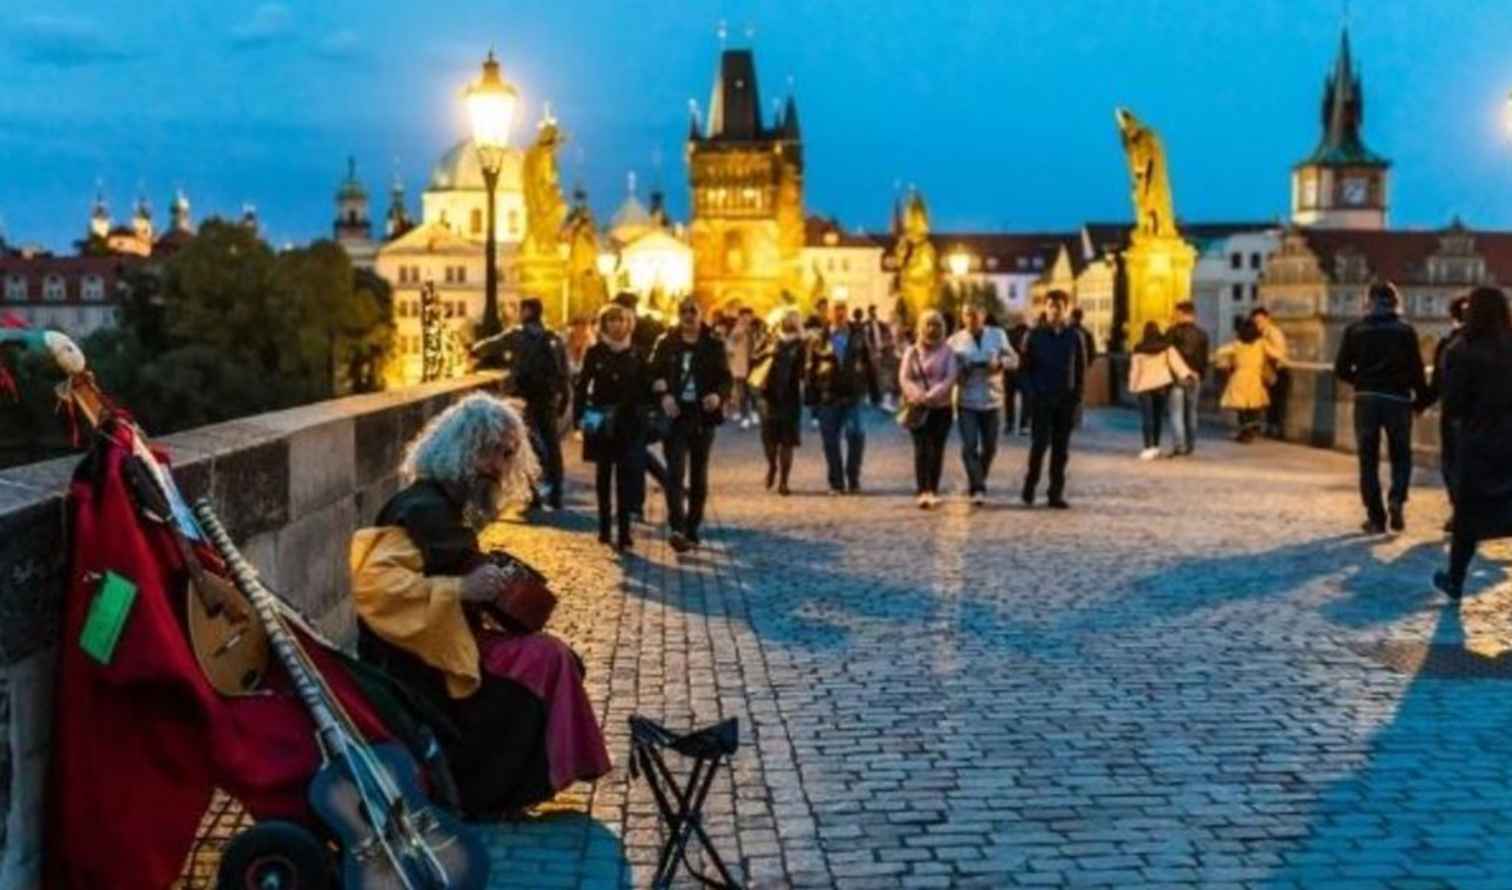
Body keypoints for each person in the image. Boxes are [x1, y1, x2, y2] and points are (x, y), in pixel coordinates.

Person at [351, 394, 611, 818]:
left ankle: (529, 782)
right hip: (419, 664)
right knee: (547, 658)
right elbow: (377, 591)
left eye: (509, 454)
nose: (499, 465)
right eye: (493, 451)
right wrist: (461, 590)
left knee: (551, 655)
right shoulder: (421, 508)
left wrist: (482, 586)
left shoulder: (443, 504)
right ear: (463, 448)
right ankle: (497, 792)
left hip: (444, 643)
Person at [1333, 282, 1431, 535]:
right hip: (1397, 399)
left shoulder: (1355, 329)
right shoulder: (1405, 331)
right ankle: (1397, 498)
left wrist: (1363, 382)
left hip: (1366, 399)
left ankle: (1376, 518)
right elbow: (1417, 370)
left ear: (1369, 301)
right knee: (1401, 455)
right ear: (1395, 301)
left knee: (1368, 459)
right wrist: (1421, 400)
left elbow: (1341, 369)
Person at [1433, 287, 1512, 600]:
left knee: (1468, 513)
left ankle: (1455, 579)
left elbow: (1452, 405)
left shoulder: (1460, 350)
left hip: (1479, 440)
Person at [650, 297, 731, 552]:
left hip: (702, 416)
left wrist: (718, 396)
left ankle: (693, 527)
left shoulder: (713, 343)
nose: (688, 316)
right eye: (683, 311)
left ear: (701, 314)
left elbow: (725, 378)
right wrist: (663, 396)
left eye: (693, 311)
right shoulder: (666, 342)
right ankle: (677, 527)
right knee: (675, 473)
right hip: (676, 416)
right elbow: (654, 373)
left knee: (699, 474)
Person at [472, 298, 568, 510]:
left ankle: (534, 493)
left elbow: (486, 347)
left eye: (521, 309)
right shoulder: (554, 337)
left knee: (527, 445)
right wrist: (564, 398)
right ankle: (557, 494)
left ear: (527, 311)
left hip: (524, 398)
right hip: (548, 398)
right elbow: (564, 372)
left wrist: (472, 350)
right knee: (553, 446)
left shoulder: (517, 335)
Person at [574, 304, 648, 549]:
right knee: (603, 475)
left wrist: (643, 416)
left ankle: (624, 530)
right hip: (599, 417)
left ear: (629, 324)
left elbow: (644, 390)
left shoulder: (638, 354)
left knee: (625, 477)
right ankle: (605, 527)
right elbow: (583, 386)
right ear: (604, 324)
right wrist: (579, 419)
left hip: (627, 421)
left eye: (621, 320)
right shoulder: (595, 352)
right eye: (611, 320)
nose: (616, 324)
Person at [806, 298, 882, 494]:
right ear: (828, 314)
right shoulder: (818, 338)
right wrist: (811, 399)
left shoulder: (858, 335)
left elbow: (869, 363)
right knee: (830, 441)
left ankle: (853, 478)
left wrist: (875, 392)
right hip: (827, 395)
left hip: (853, 395)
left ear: (847, 312)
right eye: (835, 310)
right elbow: (810, 369)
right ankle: (836, 483)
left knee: (856, 435)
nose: (839, 313)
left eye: (842, 309)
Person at [1019, 292, 1086, 509]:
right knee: (1039, 445)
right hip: (1041, 398)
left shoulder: (1074, 336)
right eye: (1051, 306)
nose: (1054, 310)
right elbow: (1024, 370)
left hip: (1065, 400)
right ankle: (1030, 486)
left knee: (1061, 449)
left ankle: (1055, 493)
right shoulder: (1034, 335)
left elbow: (1080, 369)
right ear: (1045, 308)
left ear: (1066, 308)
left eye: (1058, 306)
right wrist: (1031, 393)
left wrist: (1076, 397)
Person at [948, 303, 1018, 504]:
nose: (971, 319)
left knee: (990, 448)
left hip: (992, 400)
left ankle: (978, 479)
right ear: (962, 317)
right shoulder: (954, 341)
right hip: (967, 401)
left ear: (983, 315)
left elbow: (1015, 360)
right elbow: (949, 371)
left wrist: (999, 364)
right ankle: (978, 486)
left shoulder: (997, 335)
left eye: (975, 314)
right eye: (967, 315)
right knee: (969, 446)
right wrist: (962, 371)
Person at [613, 292, 668, 519]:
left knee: (633, 453)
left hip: (639, 401)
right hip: (628, 401)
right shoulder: (646, 328)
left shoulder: (644, 331)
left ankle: (634, 506)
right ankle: (667, 483)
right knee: (632, 452)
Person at [900, 310, 959, 509]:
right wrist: (918, 395)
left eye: (936, 325)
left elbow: (950, 377)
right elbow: (905, 377)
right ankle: (922, 490)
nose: (932, 329)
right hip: (917, 407)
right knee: (921, 449)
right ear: (921, 327)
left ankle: (933, 489)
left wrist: (932, 395)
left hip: (941, 407)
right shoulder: (912, 351)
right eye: (928, 324)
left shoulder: (948, 351)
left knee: (936, 450)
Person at [1425, 295, 1470, 532]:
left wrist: (1421, 403)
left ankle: (1459, 512)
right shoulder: (1502, 341)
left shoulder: (1448, 344)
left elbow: (1438, 383)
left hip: (1455, 415)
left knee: (1452, 463)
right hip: (1494, 416)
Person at [752, 307, 806, 495]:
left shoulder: (801, 343)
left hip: (790, 397)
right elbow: (754, 360)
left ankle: (784, 481)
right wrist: (767, 352)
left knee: (787, 442)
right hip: (769, 396)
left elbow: (804, 370)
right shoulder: (769, 339)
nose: (788, 322)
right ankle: (772, 466)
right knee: (769, 441)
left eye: (792, 319)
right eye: (785, 318)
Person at [1128, 321, 1196, 460]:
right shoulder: (1167, 347)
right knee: (1157, 417)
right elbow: (1177, 364)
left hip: (1143, 386)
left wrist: (1132, 386)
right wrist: (1188, 374)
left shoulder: (1138, 348)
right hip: (1161, 386)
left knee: (1147, 417)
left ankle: (1148, 447)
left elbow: (1134, 370)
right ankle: (1156, 446)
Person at [1215, 320, 1281, 442]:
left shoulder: (1237, 344)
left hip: (1239, 377)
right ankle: (1250, 430)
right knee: (1253, 406)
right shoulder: (1261, 344)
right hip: (1255, 378)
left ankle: (1244, 432)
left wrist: (1227, 362)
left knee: (1241, 407)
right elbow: (1276, 354)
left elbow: (1219, 352)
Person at [1164, 301, 1210, 456]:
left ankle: (1180, 445)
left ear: (1182, 314)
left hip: (1177, 377)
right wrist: (1199, 373)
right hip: (1195, 377)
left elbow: (1165, 354)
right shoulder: (1203, 334)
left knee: (1176, 413)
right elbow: (1204, 359)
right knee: (1192, 412)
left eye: (1176, 313)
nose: (1173, 316)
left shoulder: (1172, 332)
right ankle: (1191, 445)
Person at [1251, 307, 1290, 437]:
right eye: (1255, 322)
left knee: (1277, 403)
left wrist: (1264, 347)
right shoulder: (1259, 334)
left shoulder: (1274, 333)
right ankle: (1269, 428)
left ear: (1267, 319)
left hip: (1278, 371)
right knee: (1268, 402)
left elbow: (1280, 353)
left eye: (1260, 321)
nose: (1258, 325)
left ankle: (1277, 430)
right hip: (1267, 372)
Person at [725, 306, 756, 428]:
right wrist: (732, 352)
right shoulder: (739, 329)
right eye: (747, 316)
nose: (749, 318)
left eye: (750, 316)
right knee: (743, 392)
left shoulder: (749, 329)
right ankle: (745, 415)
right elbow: (729, 344)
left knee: (749, 391)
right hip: (741, 365)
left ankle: (749, 413)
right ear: (741, 316)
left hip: (749, 364)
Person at [1006, 315, 1033, 436]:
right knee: (1026, 399)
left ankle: (1009, 423)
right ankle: (1024, 425)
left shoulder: (1008, 333)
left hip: (1010, 371)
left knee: (1009, 398)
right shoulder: (1031, 333)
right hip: (1025, 370)